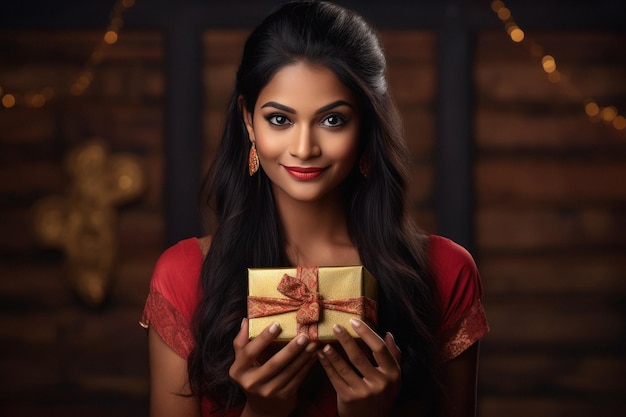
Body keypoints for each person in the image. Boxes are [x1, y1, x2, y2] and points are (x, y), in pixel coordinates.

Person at [140, 1, 489, 416]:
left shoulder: (445, 272)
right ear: (248, 120)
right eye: (280, 120)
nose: (304, 149)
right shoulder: (184, 276)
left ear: (366, 126)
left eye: (333, 120)